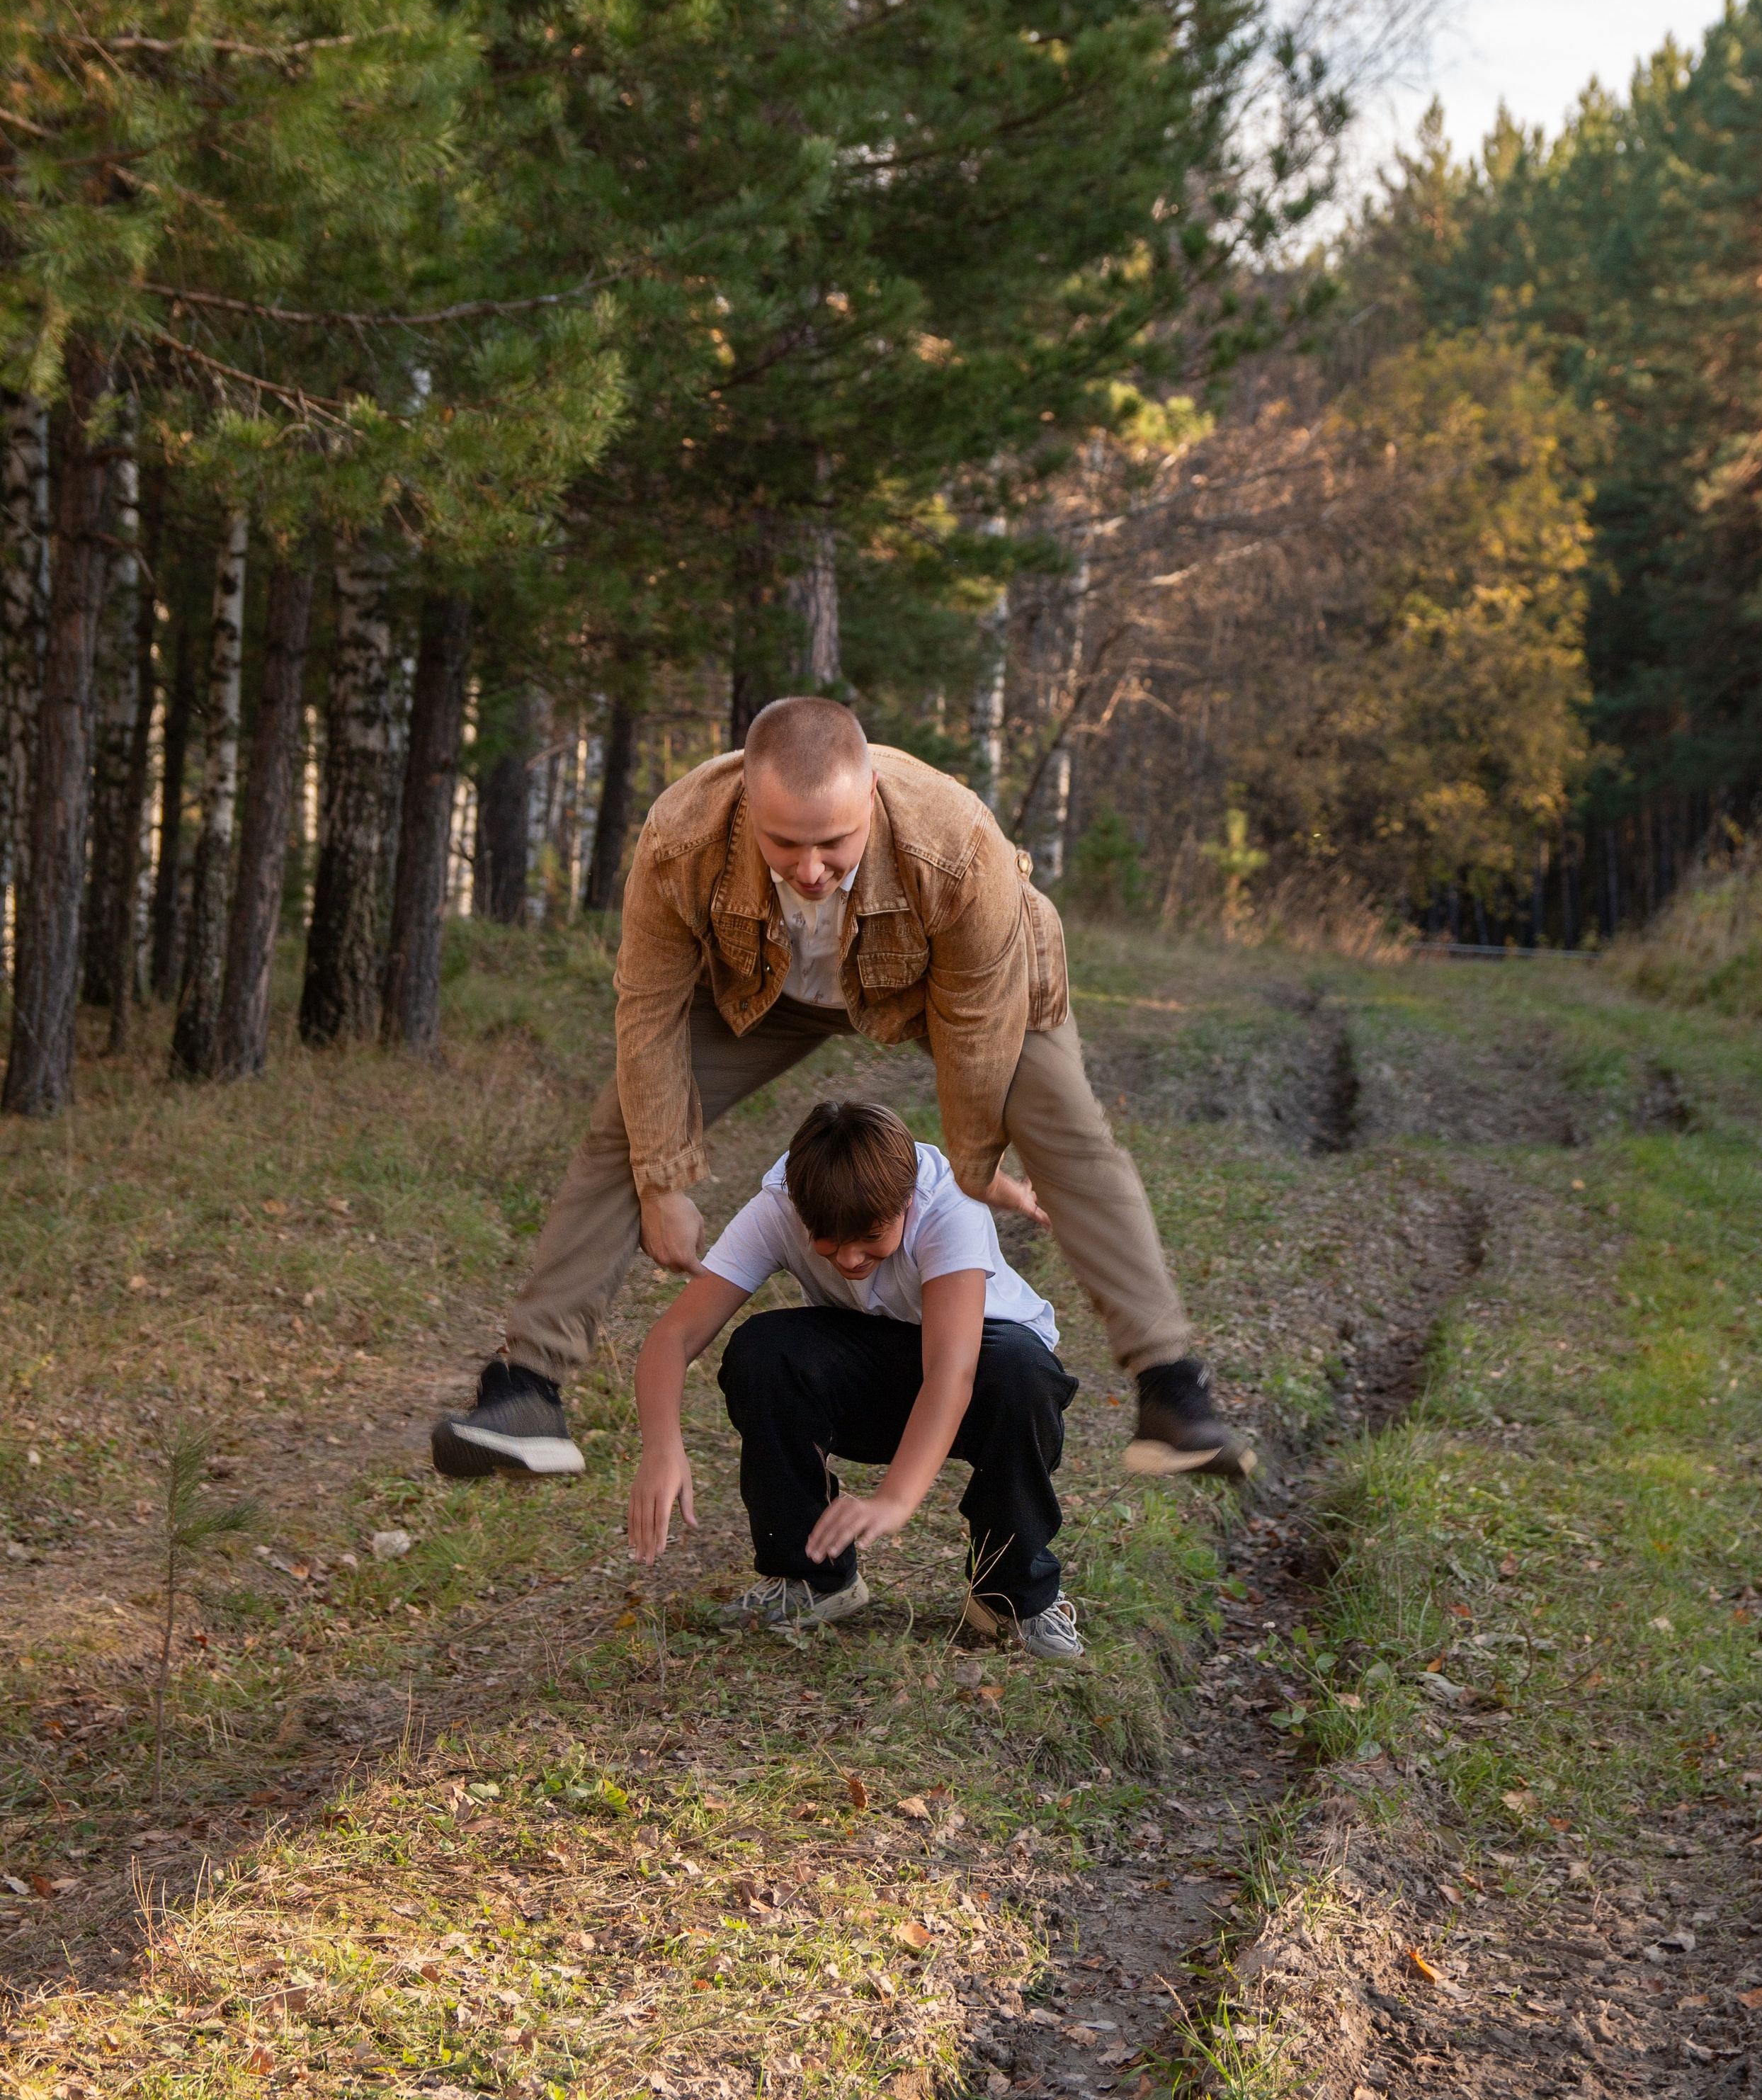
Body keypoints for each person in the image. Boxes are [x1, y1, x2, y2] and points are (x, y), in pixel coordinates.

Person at [433, 696, 1254, 1485]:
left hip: (948, 983)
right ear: (746, 800)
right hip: (768, 984)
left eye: (834, 841)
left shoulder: (959, 844)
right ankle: (527, 1391)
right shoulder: (681, 837)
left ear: (872, 793)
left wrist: (975, 1169)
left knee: (1069, 1135)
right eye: (785, 844)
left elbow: (975, 1034)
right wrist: (663, 1179)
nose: (812, 869)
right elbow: (647, 1013)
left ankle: (1171, 1389)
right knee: (626, 1125)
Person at [627, 1098, 1084, 1659]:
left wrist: (894, 1500)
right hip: (876, 1377)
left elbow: (951, 1371)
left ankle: (1009, 1595)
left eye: (870, 1235)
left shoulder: (948, 1206)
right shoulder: (779, 1206)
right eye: (827, 1239)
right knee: (763, 1349)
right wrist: (661, 1448)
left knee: (1020, 1369)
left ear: (906, 1201)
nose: (848, 1258)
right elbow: (672, 1337)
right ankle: (813, 1579)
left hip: (981, 1382)